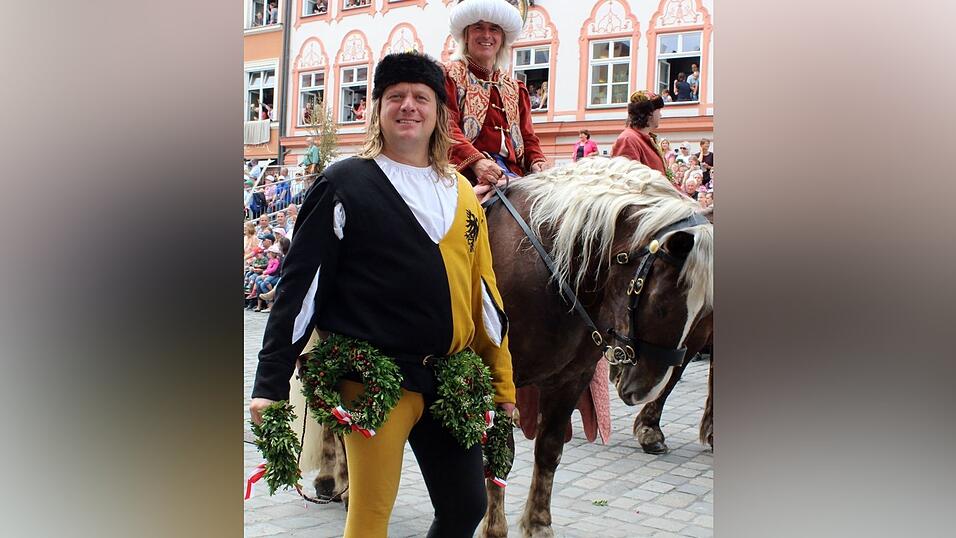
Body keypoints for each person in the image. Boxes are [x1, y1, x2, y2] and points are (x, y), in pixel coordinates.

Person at [249, 52, 516, 538]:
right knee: (371, 515)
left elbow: (485, 294)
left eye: (421, 97)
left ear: (439, 112)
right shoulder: (344, 183)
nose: (408, 106)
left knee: (466, 506)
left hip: (449, 377)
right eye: (396, 96)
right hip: (374, 381)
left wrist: (503, 385)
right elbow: (300, 289)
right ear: (377, 108)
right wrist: (269, 384)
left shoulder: (460, 191)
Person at [444, 0, 547, 200]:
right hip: (466, 174)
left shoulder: (515, 88)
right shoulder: (449, 76)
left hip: (513, 175)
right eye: (478, 27)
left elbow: (528, 138)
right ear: (466, 35)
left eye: (494, 29)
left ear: (502, 38)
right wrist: (476, 161)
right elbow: (446, 128)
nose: (486, 35)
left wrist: (537, 160)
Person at [610, 90, 668, 177]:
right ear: (650, 113)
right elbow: (626, 180)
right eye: (658, 110)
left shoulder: (644, 138)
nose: (661, 115)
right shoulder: (628, 140)